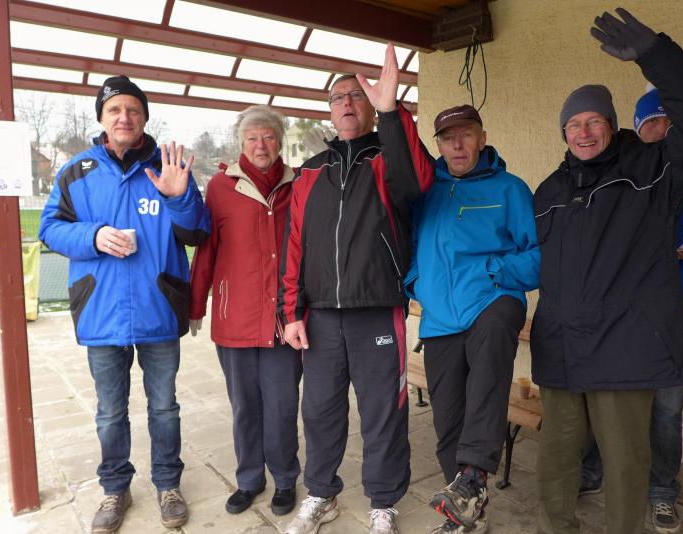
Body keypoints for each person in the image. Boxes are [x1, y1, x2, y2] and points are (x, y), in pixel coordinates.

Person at [530, 8, 683, 534]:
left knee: (624, 466)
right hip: (562, 347)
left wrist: (656, 56)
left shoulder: (653, 170)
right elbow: (535, 262)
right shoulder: (549, 191)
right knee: (556, 461)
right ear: (563, 132)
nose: (584, 131)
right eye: (573, 124)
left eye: (594, 120)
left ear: (612, 124)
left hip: (625, 346)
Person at [39, 76, 209, 533]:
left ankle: (168, 485)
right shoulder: (76, 171)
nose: (124, 117)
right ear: (101, 118)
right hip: (101, 312)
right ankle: (115, 488)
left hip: (158, 308)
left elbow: (198, 231)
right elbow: (49, 228)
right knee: (110, 412)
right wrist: (93, 236)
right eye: (114, 110)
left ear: (145, 118)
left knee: (164, 408)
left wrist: (178, 197)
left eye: (133, 110)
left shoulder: (168, 168)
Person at [279, 43, 433, 534]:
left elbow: (419, 183)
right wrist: (291, 312)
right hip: (321, 314)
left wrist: (393, 113)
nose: (346, 103)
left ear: (369, 106)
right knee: (320, 410)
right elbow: (294, 246)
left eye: (356, 95)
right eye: (337, 97)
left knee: (383, 411)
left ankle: (383, 502)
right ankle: (321, 494)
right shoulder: (310, 171)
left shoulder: (388, 158)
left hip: (377, 307)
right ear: (329, 110)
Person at [579, 87, 683, 534]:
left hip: (670, 312)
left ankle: (662, 491)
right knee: (602, 396)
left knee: (667, 409)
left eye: (671, 123)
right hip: (614, 311)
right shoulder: (616, 170)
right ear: (637, 129)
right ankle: (591, 471)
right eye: (653, 123)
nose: (663, 131)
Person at [403, 105, 540, 534]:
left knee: (490, 360)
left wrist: (495, 270)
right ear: (439, 145)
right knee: (448, 420)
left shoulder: (510, 190)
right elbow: (410, 247)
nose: (457, 145)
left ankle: (476, 472)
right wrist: (417, 284)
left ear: (482, 138)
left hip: (492, 300)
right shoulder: (427, 193)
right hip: (441, 317)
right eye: (448, 138)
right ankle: (465, 509)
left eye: (466, 135)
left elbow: (540, 255)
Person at [189, 105, 302, 517]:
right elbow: (207, 249)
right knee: (245, 407)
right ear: (241, 142)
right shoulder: (221, 187)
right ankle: (250, 479)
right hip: (235, 317)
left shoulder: (298, 184)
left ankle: (285, 479)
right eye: (252, 137)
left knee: (282, 406)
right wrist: (196, 303)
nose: (261, 145)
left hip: (283, 319)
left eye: (268, 136)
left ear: (279, 141)